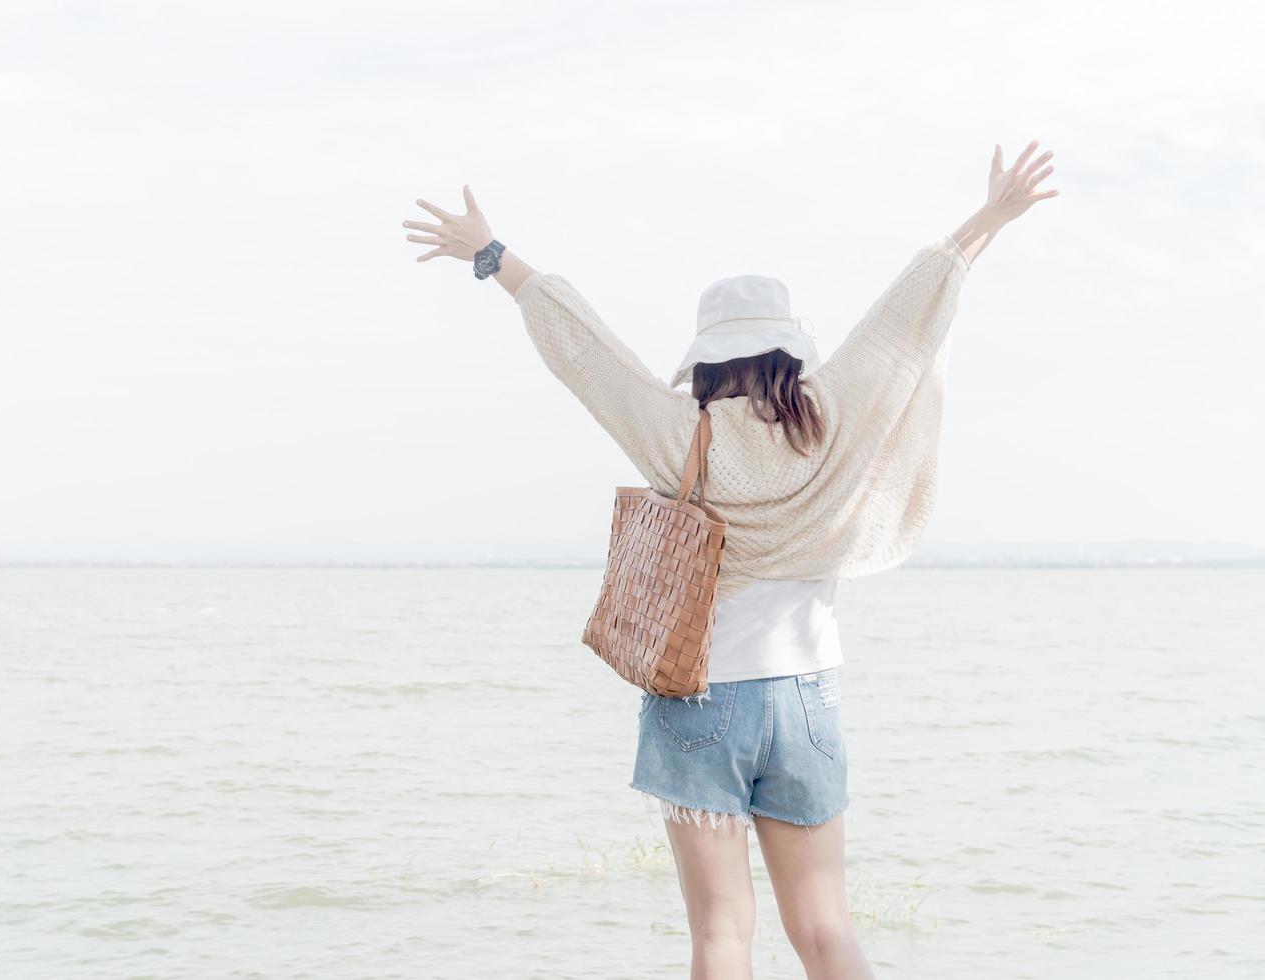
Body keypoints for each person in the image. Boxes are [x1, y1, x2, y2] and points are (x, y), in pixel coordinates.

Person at [401, 141, 1058, 979]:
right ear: (790, 349)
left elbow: (588, 354)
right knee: (825, 929)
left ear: (708, 358)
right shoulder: (835, 420)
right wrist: (991, 217)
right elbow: (906, 317)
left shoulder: (682, 436)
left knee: (720, 932)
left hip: (701, 699)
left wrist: (493, 257)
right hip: (808, 702)